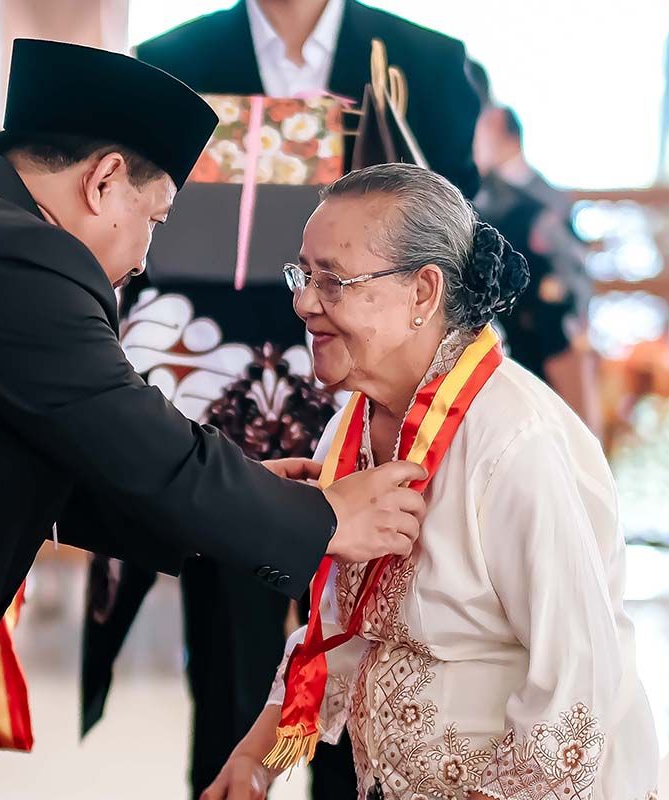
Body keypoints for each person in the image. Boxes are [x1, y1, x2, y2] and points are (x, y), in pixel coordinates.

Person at [0, 40, 429, 800]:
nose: (145, 256)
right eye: (154, 217)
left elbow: (67, 460)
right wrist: (321, 518)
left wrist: (254, 494)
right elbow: (140, 441)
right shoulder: (17, 256)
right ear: (104, 180)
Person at [201, 163, 659, 800]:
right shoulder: (350, 427)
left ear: (423, 292)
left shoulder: (513, 441)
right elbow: (340, 627)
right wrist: (257, 760)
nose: (304, 302)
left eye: (334, 279)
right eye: (303, 275)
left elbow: (578, 674)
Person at [117, 6, 480, 796]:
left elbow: (458, 258)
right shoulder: (171, 58)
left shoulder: (427, 61)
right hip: (218, 415)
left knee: (374, 658)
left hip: (383, 417)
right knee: (227, 673)